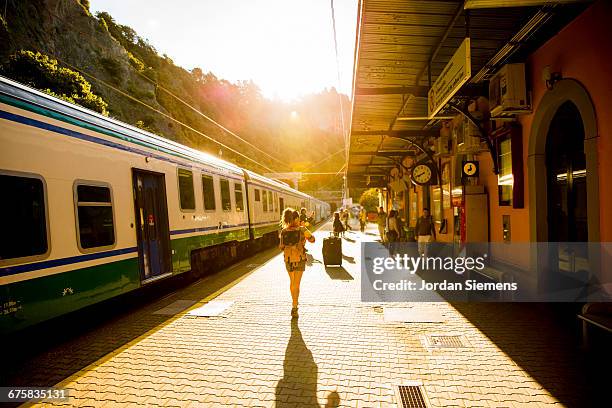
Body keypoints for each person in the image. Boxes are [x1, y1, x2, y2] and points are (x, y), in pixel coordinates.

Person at [280, 208, 315, 318]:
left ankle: (294, 304)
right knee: (297, 284)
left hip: (288, 260)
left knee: (292, 282)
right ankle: (295, 307)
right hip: (299, 259)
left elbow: (281, 247)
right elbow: (313, 239)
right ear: (295, 219)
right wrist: (304, 229)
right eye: (298, 218)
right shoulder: (302, 229)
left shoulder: (284, 231)